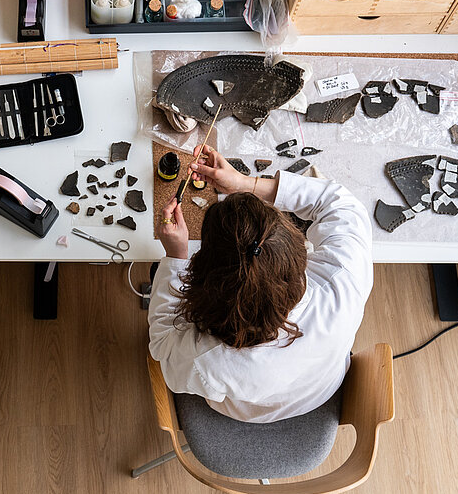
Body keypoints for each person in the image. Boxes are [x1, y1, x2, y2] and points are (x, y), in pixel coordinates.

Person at [149, 145, 373, 423]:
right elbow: (341, 202)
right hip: (318, 389)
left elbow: (162, 344)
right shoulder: (343, 280)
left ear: (206, 276)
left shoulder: (208, 360)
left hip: (250, 412)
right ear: (294, 250)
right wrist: (245, 184)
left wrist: (175, 257)